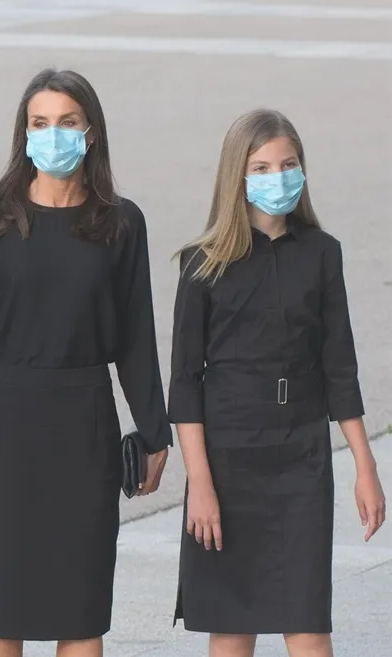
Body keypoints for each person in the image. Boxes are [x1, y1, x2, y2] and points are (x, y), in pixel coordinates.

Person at [0, 68, 172, 657]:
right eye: (40, 123)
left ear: (90, 132)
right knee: (1, 609)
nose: (53, 134)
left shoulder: (121, 223)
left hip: (84, 425)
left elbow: (137, 338)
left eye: (67, 122)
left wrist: (154, 431)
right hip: (7, 425)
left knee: (81, 609)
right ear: (24, 133)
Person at [168, 109, 386, 657]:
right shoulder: (202, 265)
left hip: (301, 458)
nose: (277, 175)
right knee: (233, 623)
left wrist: (365, 466)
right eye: (262, 166)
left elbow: (341, 368)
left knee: (306, 618)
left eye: (288, 164)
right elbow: (185, 385)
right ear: (236, 176)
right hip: (228, 458)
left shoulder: (321, 254)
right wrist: (200, 484)